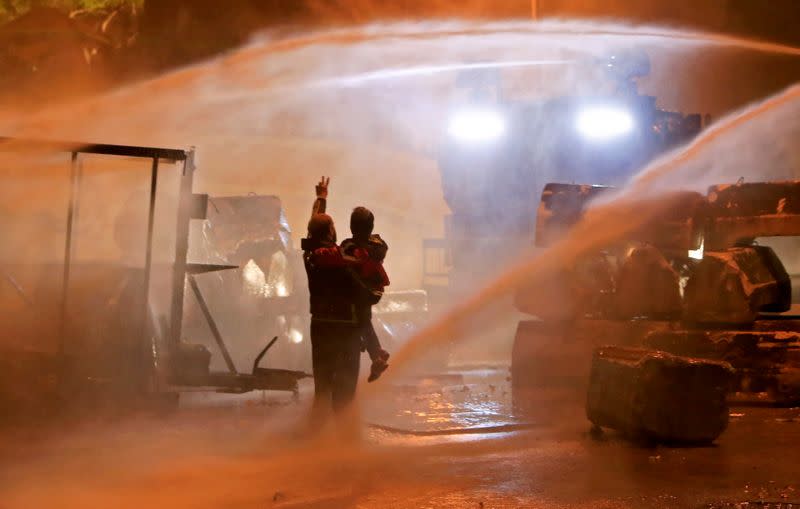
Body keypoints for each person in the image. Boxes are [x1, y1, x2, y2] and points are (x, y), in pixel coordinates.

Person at [301, 177, 363, 417]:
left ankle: (316, 435)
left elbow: (312, 227)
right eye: (332, 226)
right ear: (330, 232)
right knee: (344, 385)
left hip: (319, 324)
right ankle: (341, 436)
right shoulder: (334, 257)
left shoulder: (310, 253)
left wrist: (321, 199)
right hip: (342, 326)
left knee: (322, 383)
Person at [340, 207, 391, 382]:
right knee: (365, 321)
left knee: (361, 321)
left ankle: (376, 354)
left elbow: (340, 260)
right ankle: (376, 353)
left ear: (351, 226)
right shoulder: (377, 245)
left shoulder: (349, 246)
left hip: (357, 293)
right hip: (373, 292)